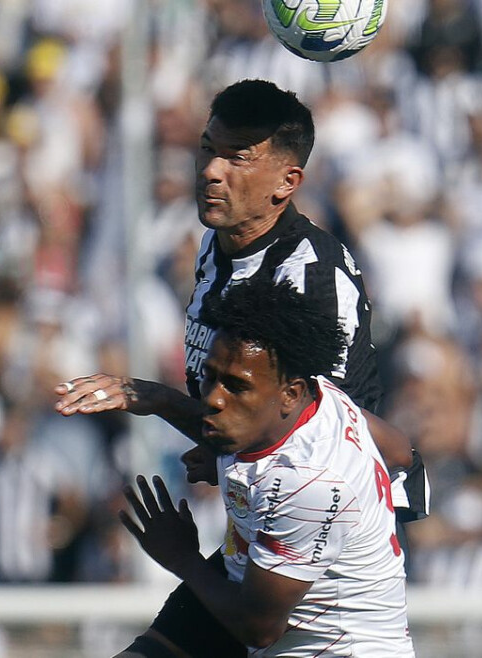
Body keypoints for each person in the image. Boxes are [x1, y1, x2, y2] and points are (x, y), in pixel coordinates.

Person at [54, 79, 426, 657]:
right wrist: (210, 440)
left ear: (287, 182)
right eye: (208, 148)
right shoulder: (215, 245)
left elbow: (310, 441)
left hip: (317, 559)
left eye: (237, 157)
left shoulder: (311, 282)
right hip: (255, 526)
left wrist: (162, 406)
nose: (211, 171)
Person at [97, 278, 415, 656]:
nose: (214, 398)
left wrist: (181, 557)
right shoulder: (322, 398)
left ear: (290, 394)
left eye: (236, 386)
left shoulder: (309, 484)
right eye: (210, 376)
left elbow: (259, 628)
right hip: (243, 587)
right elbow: (400, 452)